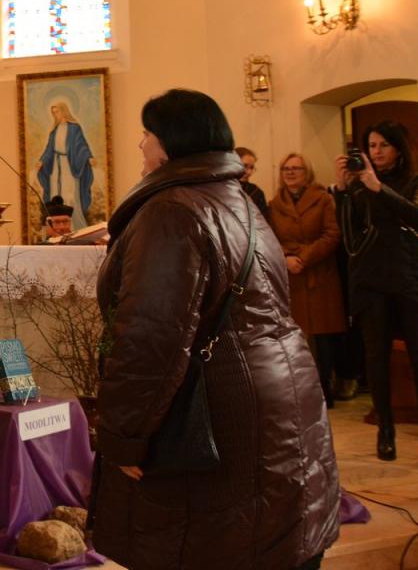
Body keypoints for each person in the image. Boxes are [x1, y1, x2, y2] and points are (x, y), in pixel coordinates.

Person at [91, 89, 339, 570]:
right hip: (281, 396)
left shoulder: (172, 211)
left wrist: (124, 437)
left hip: (223, 410)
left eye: (146, 134)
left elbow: (151, 337)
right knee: (273, 541)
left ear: (169, 143)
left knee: (217, 544)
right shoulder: (237, 200)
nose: (140, 144)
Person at [332, 121, 418, 470]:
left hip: (411, 277)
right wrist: (342, 190)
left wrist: (377, 187)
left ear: (398, 148)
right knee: (376, 357)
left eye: (383, 145)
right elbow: (349, 237)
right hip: (371, 279)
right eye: (371, 146)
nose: (376, 152)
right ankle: (385, 433)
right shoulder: (358, 187)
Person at [268, 153, 346, 408]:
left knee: (323, 339)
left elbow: (332, 234)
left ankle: (324, 389)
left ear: (307, 173)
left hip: (319, 275)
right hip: (291, 277)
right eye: (286, 169)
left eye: (296, 168)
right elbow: (269, 238)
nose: (290, 173)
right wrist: (287, 258)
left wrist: (304, 257)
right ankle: (299, 391)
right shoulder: (274, 204)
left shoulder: (323, 199)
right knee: (294, 338)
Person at [36, 101, 95, 232]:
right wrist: (42, 161)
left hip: (69, 166)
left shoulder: (74, 128)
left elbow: (81, 145)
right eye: (53, 113)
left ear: (63, 111)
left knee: (71, 196)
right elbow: (49, 149)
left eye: (57, 111)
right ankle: (55, 230)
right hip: (56, 168)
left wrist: (88, 157)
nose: (55, 115)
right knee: (55, 194)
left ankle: (76, 227)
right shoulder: (54, 130)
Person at [235, 146, 269, 218]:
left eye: (251, 167)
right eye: (245, 166)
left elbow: (264, 220)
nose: (249, 172)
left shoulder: (256, 192)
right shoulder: (220, 190)